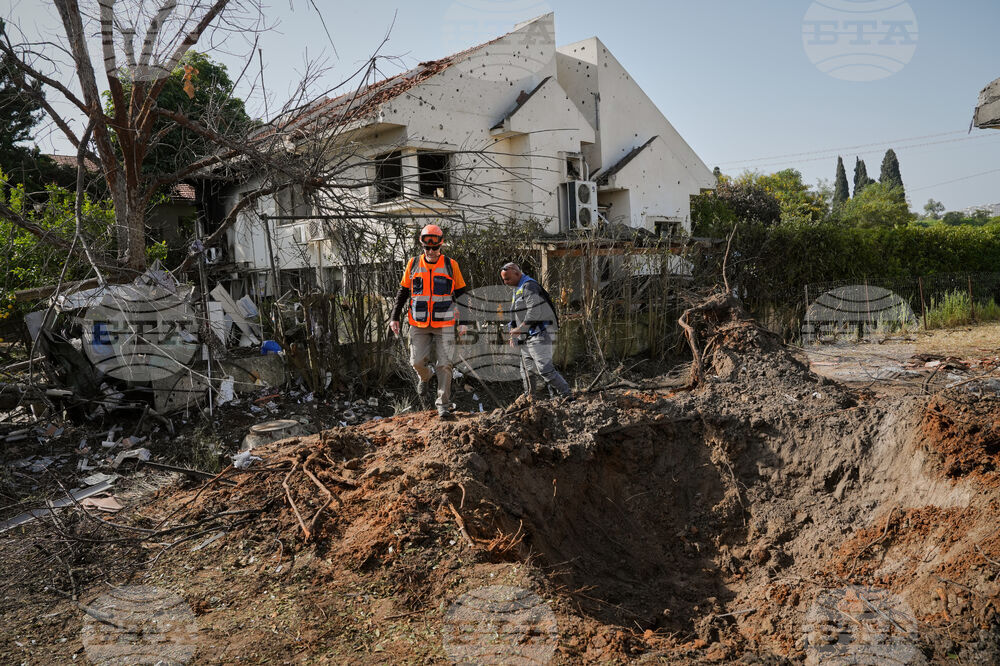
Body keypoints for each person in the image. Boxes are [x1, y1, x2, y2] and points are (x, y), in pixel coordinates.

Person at [390, 225, 468, 418]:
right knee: (416, 361)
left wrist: (466, 321)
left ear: (441, 245)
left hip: (445, 323)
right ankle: (425, 376)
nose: (431, 252)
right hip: (418, 323)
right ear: (422, 246)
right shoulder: (413, 263)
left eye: (435, 248)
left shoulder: (451, 265)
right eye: (427, 248)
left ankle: (443, 404)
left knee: (445, 364)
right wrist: (394, 317)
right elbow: (403, 292)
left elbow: (462, 295)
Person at [500, 262, 571, 398]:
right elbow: (514, 314)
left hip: (540, 333)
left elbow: (534, 312)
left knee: (545, 369)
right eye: (503, 279)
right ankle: (530, 399)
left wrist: (520, 329)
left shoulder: (529, 286)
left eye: (507, 278)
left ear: (516, 272)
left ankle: (566, 395)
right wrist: (513, 334)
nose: (505, 282)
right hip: (526, 336)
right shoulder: (518, 288)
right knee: (526, 371)